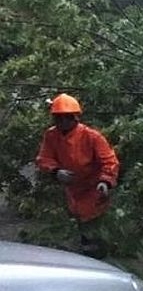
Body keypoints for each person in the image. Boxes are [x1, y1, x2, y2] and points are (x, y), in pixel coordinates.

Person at [36, 93, 120, 257]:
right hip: (71, 190)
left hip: (94, 189)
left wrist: (105, 181)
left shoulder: (92, 136)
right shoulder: (51, 135)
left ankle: (100, 256)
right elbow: (44, 158)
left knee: (95, 227)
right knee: (78, 227)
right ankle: (85, 254)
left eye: (66, 118)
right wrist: (56, 171)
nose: (62, 122)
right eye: (58, 118)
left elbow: (110, 161)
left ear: (74, 118)